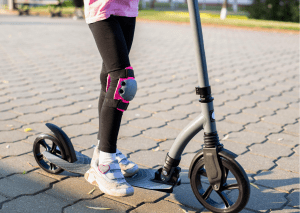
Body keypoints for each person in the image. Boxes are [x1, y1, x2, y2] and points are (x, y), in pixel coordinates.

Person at [83, 0, 140, 197]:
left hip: (128, 7)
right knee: (123, 81)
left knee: (109, 78)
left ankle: (101, 153)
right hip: (102, 6)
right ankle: (106, 164)